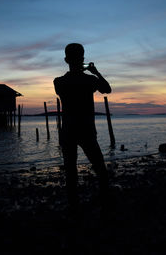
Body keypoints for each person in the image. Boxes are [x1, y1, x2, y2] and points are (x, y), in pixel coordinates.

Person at [54, 43, 112, 208]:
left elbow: (66, 89)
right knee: (100, 168)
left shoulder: (59, 82)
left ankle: (74, 206)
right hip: (86, 131)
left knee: (71, 172)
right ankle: (105, 202)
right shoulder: (89, 80)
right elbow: (107, 89)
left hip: (68, 132)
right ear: (82, 59)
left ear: (66, 60)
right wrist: (95, 72)